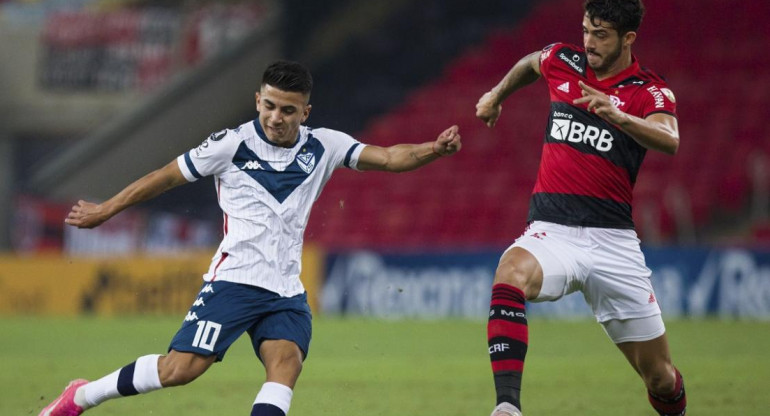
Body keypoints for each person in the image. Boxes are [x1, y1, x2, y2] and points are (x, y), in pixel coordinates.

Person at [39, 60, 461, 416]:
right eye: (270, 106)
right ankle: (80, 396)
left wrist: (434, 150)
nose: (276, 117)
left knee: (286, 364)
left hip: (286, 289)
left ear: (305, 113)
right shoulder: (230, 145)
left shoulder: (325, 146)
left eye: (288, 110)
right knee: (180, 370)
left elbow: (388, 157)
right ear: (258, 101)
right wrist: (106, 209)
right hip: (235, 281)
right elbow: (164, 177)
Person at [475, 1, 685, 415]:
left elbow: (670, 138)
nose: (588, 41)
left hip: (613, 243)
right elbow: (531, 63)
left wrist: (619, 116)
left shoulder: (648, 90)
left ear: (628, 39)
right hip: (552, 231)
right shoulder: (563, 60)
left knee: (660, 376)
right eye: (587, 30)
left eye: (601, 34)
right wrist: (496, 95)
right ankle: (507, 407)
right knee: (509, 274)